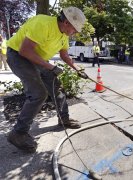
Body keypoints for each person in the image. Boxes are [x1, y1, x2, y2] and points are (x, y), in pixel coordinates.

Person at [6, 7, 89, 153]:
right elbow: (25, 51)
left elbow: (64, 55)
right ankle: (18, 133)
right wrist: (50, 66)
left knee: (57, 88)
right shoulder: (43, 24)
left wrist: (77, 69)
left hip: (38, 59)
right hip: (18, 56)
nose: (76, 33)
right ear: (66, 22)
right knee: (38, 94)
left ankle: (64, 119)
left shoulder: (64, 34)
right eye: (75, 29)